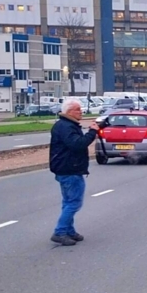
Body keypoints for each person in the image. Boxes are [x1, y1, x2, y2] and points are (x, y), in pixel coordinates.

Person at [49, 100, 100, 246]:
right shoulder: (66, 126)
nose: (81, 112)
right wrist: (92, 132)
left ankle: (69, 230)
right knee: (74, 202)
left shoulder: (66, 125)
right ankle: (60, 232)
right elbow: (77, 144)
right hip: (70, 168)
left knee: (68, 202)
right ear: (69, 111)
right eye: (78, 109)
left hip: (66, 167)